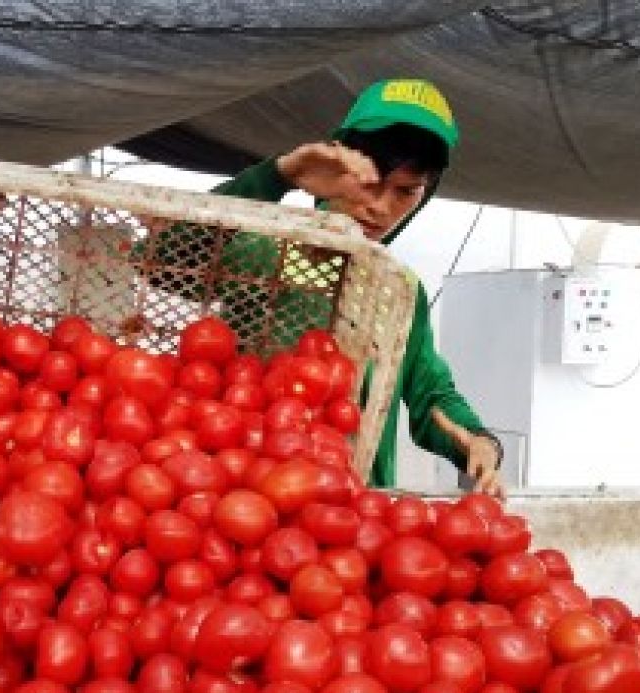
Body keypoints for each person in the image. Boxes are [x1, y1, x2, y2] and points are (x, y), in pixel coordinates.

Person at [198, 78, 505, 498]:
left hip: (351, 519)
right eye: (370, 182)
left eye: (405, 192)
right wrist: (279, 175)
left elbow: (429, 390)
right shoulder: (261, 250)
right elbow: (161, 258)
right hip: (254, 496)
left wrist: (476, 438)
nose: (380, 207)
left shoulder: (400, 291)